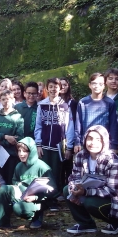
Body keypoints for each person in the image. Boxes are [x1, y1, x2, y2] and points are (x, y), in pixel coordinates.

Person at [64, 125, 118, 235]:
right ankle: (86, 224)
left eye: (98, 140)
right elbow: (74, 178)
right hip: (91, 191)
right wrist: (74, 190)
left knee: (90, 202)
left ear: (104, 142)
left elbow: (112, 191)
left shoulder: (112, 160)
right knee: (66, 191)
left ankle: (116, 221)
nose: (93, 143)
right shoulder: (80, 156)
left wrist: (86, 192)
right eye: (90, 138)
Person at [0, 137, 54, 230]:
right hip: (22, 195)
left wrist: (35, 197)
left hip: (38, 199)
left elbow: (53, 190)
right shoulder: (19, 166)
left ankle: (37, 217)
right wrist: (19, 188)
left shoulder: (43, 167)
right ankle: (2, 221)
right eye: (19, 151)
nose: (21, 154)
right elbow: (15, 181)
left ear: (31, 152)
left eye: (25, 151)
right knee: (3, 189)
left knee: (18, 208)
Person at [34, 78, 74, 209]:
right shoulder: (41, 105)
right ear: (47, 88)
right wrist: (38, 144)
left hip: (59, 146)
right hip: (44, 145)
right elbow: (38, 126)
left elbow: (69, 127)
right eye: (50, 87)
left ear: (60, 88)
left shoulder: (66, 106)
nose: (53, 89)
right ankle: (45, 199)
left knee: (57, 173)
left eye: (56, 87)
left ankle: (54, 199)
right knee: (45, 172)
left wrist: (69, 147)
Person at [74, 73, 118, 153]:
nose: (97, 86)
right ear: (89, 85)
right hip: (87, 142)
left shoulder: (110, 103)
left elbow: (114, 125)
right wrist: (77, 142)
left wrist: (114, 145)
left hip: (103, 143)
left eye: (100, 84)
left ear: (104, 86)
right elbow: (78, 124)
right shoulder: (83, 102)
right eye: (94, 83)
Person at [0, 90, 24, 185]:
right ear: (0, 100)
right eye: (3, 99)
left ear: (13, 100)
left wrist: (2, 142)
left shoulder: (18, 117)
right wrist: (5, 136)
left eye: (8, 99)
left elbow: (18, 138)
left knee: (10, 179)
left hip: (11, 155)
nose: (6, 101)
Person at [59, 77, 78, 193]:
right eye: (60, 85)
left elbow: (75, 122)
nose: (62, 87)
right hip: (57, 140)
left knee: (68, 164)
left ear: (68, 86)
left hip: (68, 139)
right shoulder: (51, 102)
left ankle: (69, 189)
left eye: (64, 85)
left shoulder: (73, 103)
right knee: (58, 166)